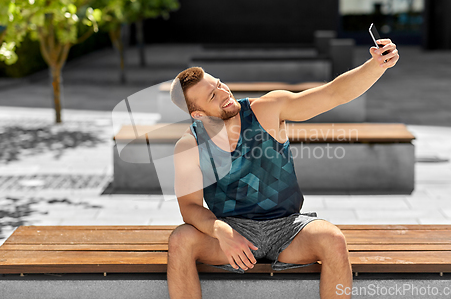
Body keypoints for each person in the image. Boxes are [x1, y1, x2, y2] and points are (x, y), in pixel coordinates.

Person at [167, 39, 399, 299]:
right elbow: (189, 207)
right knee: (181, 240)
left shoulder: (266, 109)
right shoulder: (189, 145)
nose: (224, 93)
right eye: (212, 95)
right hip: (233, 233)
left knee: (333, 239)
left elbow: (333, 94)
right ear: (197, 114)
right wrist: (220, 231)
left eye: (219, 84)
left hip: (288, 227)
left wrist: (376, 65)